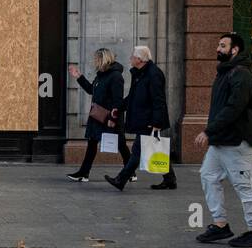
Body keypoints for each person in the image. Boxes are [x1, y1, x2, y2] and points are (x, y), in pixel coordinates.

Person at [194, 32, 252, 248]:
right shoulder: (224, 72)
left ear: (234, 50)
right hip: (222, 140)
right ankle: (220, 224)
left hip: (239, 142)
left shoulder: (241, 73)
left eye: (223, 45)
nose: (218, 48)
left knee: (244, 186)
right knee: (208, 176)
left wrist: (208, 131)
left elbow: (234, 107)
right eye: (218, 45)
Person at [105, 45, 178, 191]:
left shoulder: (153, 74)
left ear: (139, 59)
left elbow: (159, 100)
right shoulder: (139, 73)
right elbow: (132, 96)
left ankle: (121, 179)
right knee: (148, 148)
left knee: (138, 151)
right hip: (143, 119)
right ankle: (170, 179)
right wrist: (118, 108)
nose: (130, 59)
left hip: (149, 121)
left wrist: (156, 122)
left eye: (132, 57)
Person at [66, 49, 131, 182]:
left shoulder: (115, 76)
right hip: (98, 115)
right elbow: (91, 90)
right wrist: (79, 76)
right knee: (92, 142)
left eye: (96, 59)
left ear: (103, 59)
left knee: (121, 144)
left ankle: (130, 171)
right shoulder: (101, 75)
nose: (94, 61)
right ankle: (84, 173)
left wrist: (113, 118)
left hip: (110, 117)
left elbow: (117, 101)